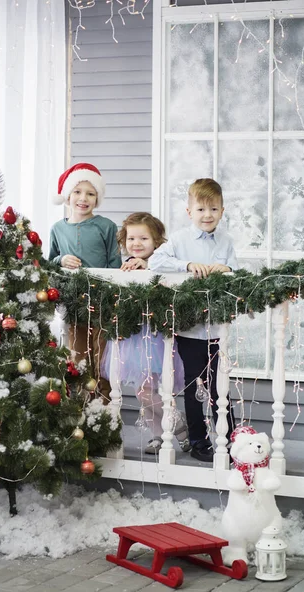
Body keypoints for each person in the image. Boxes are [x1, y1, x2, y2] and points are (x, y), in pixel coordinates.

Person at [149, 178, 238, 462]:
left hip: (217, 328)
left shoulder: (226, 241)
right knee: (194, 384)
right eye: (200, 209)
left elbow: (236, 271)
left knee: (219, 384)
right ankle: (200, 440)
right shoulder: (178, 240)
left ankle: (231, 437)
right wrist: (185, 265)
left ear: (222, 211)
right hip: (190, 329)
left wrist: (227, 268)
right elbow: (155, 262)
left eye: (213, 208)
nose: (207, 215)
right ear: (190, 212)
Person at [101, 212, 190, 454]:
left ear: (156, 242)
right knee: (143, 392)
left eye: (143, 239)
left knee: (154, 390)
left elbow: (167, 278)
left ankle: (173, 426)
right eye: (131, 239)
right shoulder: (126, 263)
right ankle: (163, 431)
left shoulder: (162, 261)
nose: (136, 244)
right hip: (133, 337)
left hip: (156, 336)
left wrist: (148, 266)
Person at [49, 163, 121, 402]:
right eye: (78, 192)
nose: (83, 198)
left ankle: (103, 407)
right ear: (67, 196)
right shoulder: (58, 229)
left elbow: (114, 262)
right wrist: (61, 259)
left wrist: (112, 296)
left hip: (102, 302)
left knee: (102, 356)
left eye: (90, 193)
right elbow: (50, 262)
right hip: (73, 303)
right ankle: (80, 407)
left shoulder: (106, 226)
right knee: (78, 356)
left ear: (97, 198)